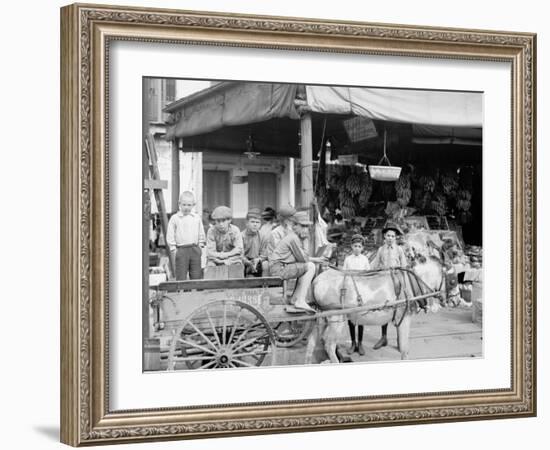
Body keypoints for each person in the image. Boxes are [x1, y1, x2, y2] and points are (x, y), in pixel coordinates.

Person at [268, 211, 325, 312]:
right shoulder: (293, 238)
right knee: (310, 266)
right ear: (294, 226)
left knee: (305, 267)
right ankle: (300, 300)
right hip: (279, 269)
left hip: (282, 267)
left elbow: (301, 258)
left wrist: (316, 259)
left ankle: (295, 298)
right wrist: (307, 242)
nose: (306, 230)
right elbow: (303, 258)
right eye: (302, 226)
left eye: (307, 227)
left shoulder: (295, 237)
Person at [370, 222, 408, 350]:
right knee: (385, 308)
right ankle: (384, 337)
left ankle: (399, 338)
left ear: (396, 237)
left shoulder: (399, 250)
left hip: (397, 282)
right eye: (388, 236)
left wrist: (402, 277)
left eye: (393, 236)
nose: (390, 238)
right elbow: (374, 265)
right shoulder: (381, 250)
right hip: (384, 283)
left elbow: (404, 266)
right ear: (384, 237)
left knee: (399, 308)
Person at [165, 191, 206, 281]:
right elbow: (170, 234)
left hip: (194, 248)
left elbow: (201, 232)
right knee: (181, 275)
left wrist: (200, 246)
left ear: (193, 205)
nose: (186, 207)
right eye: (184, 204)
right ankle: (182, 293)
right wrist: (173, 249)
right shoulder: (175, 218)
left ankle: (196, 294)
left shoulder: (196, 218)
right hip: (181, 250)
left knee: (196, 275)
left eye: (189, 205)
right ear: (179, 204)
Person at [342, 234, 371, 355]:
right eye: (355, 246)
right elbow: (344, 274)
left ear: (362, 247)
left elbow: (368, 274)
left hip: (361, 291)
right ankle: (353, 343)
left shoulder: (364, 259)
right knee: (351, 318)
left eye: (359, 246)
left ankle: (360, 343)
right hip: (350, 290)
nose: (357, 248)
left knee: (361, 317)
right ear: (351, 246)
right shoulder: (348, 259)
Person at [205, 205, 244, 271]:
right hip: (216, 259)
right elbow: (210, 252)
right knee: (210, 266)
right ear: (215, 221)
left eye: (223, 221)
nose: (221, 224)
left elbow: (239, 249)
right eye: (218, 221)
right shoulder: (211, 231)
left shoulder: (235, 230)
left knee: (237, 266)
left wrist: (226, 255)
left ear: (229, 220)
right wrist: (220, 258)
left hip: (233, 259)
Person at [240, 208, 265, 277]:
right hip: (244, 262)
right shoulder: (241, 236)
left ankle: (265, 286)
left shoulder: (263, 236)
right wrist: (247, 262)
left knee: (266, 265)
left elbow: (265, 253)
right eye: (252, 222)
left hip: (258, 261)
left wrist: (258, 259)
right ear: (247, 223)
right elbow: (239, 254)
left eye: (257, 222)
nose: (255, 225)